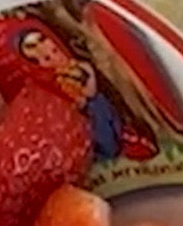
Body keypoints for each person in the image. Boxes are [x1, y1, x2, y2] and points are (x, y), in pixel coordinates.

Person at [17, 27, 128, 160]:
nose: (56, 58)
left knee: (105, 119)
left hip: (95, 105)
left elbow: (91, 92)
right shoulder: (56, 80)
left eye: (55, 51)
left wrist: (83, 94)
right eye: (47, 59)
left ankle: (114, 142)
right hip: (82, 115)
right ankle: (104, 150)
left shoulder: (82, 66)